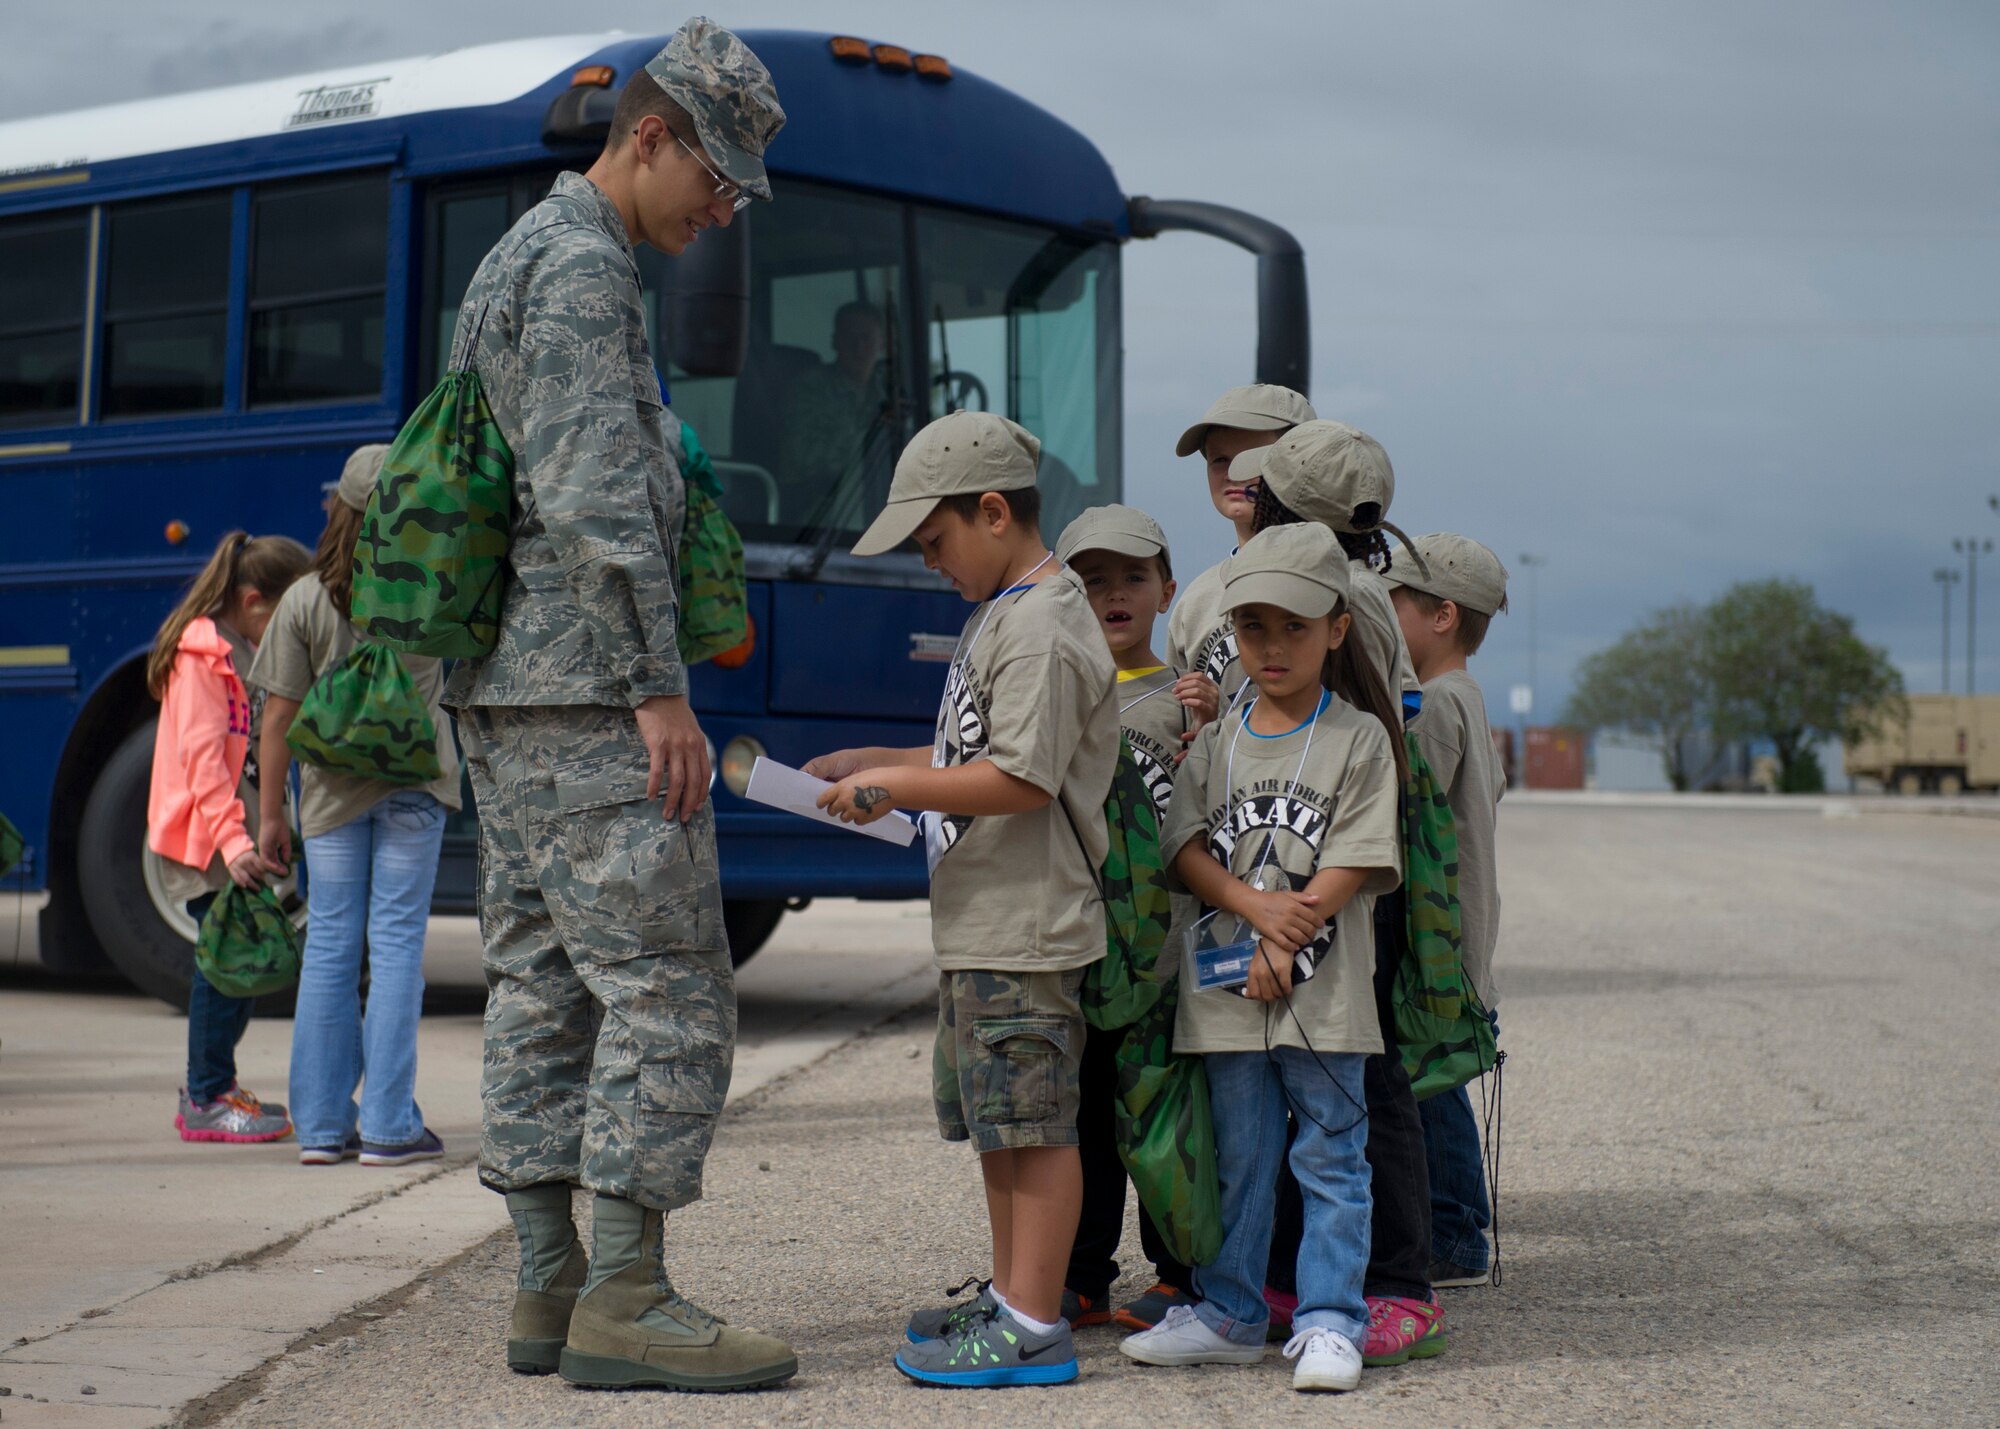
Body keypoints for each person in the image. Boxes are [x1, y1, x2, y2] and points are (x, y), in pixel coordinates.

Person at [441, 18, 796, 1392]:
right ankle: (629, 1297)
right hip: (589, 693)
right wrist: (661, 691)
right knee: (670, 989)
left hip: (506, 699)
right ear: (648, 136)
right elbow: (594, 498)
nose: (721, 213)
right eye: (714, 179)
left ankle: (548, 1290)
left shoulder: (515, 256)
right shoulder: (586, 269)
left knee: (540, 983)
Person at [807, 410, 1118, 1388]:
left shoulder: (1044, 624)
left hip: (1028, 922)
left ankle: (1034, 1319)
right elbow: (967, 758)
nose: (929, 562)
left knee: (1035, 1124)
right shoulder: (1002, 612)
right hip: (986, 920)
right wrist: (881, 761)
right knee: (999, 1123)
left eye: (934, 540)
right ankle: (1009, 1289)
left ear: (993, 512)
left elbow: (1020, 778)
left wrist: (897, 788)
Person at [1120, 523, 1404, 1393]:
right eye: (1253, 628)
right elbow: (1184, 849)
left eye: (1293, 626)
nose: (1271, 647)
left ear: (1337, 629)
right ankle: (1233, 1311)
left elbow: (1357, 858)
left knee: (1329, 1154)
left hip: (1327, 998)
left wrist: (1290, 933)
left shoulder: (1358, 738)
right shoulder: (1220, 737)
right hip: (1226, 990)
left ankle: (1329, 1321)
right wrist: (1253, 913)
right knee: (1240, 1156)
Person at [1238, 419, 1444, 1363]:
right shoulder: (1365, 587)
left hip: (1331, 863)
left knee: (1362, 1077)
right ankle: (1328, 1271)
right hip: (1352, 856)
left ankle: (1396, 1278)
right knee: (1356, 1072)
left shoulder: (1316, 591)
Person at [249, 445, 462, 1169]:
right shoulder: (433, 587)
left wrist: (272, 814)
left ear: (338, 507)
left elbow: (276, 717)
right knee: (398, 946)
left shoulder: (305, 599)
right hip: (415, 787)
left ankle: (319, 1126)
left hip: (331, 793)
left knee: (332, 948)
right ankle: (389, 1125)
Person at [1052, 504, 1215, 1332]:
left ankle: (1180, 1272)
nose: (1113, 593)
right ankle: (1079, 1274)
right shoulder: (1060, 688)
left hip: (1160, 950)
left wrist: (1215, 728)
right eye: (1091, 579)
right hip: (1080, 943)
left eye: (1132, 577)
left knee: (1160, 1113)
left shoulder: (1187, 700)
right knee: (1080, 1116)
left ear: (1166, 590)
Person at [146, 530, 309, 1144]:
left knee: (241, 963)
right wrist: (233, 842)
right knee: (223, 965)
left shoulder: (236, 649)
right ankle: (205, 1095)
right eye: (285, 615)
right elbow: (203, 761)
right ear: (251, 601)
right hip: (211, 841)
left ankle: (214, 1085)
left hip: (235, 838)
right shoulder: (202, 657)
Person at [1385, 533, 1509, 1289]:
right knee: (1439, 1080)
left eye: (1396, 599)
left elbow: (1409, 807)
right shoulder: (1470, 698)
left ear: (1442, 615)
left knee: (1431, 1085)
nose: (1384, 610)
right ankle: (1459, 1222)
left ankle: (1458, 1234)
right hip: (1464, 937)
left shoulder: (1433, 707)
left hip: (1440, 938)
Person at [1164, 384, 1317, 730]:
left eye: (1253, 457)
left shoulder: (1344, 582)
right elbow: (1181, 727)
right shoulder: (1196, 601)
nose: (1233, 471)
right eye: (1219, 459)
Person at [778, 300, 888, 500]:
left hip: (875, 502)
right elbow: (801, 456)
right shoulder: (810, 387)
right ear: (835, 342)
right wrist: (871, 441)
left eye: (867, 338)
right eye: (850, 338)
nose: (859, 347)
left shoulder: (890, 395)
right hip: (817, 511)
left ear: (881, 345)